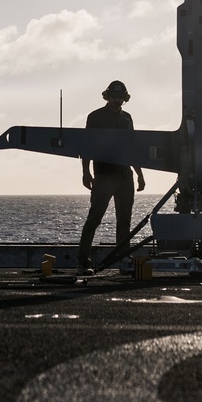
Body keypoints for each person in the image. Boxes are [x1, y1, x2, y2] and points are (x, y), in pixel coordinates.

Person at [78, 80, 145, 272]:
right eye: (114, 97)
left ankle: (124, 261)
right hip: (104, 175)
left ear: (125, 98)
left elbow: (132, 147)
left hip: (125, 176)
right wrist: (85, 172)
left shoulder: (127, 118)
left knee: (124, 221)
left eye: (120, 97)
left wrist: (140, 174)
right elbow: (87, 145)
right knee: (95, 218)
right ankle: (82, 261)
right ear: (108, 97)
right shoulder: (95, 117)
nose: (117, 100)